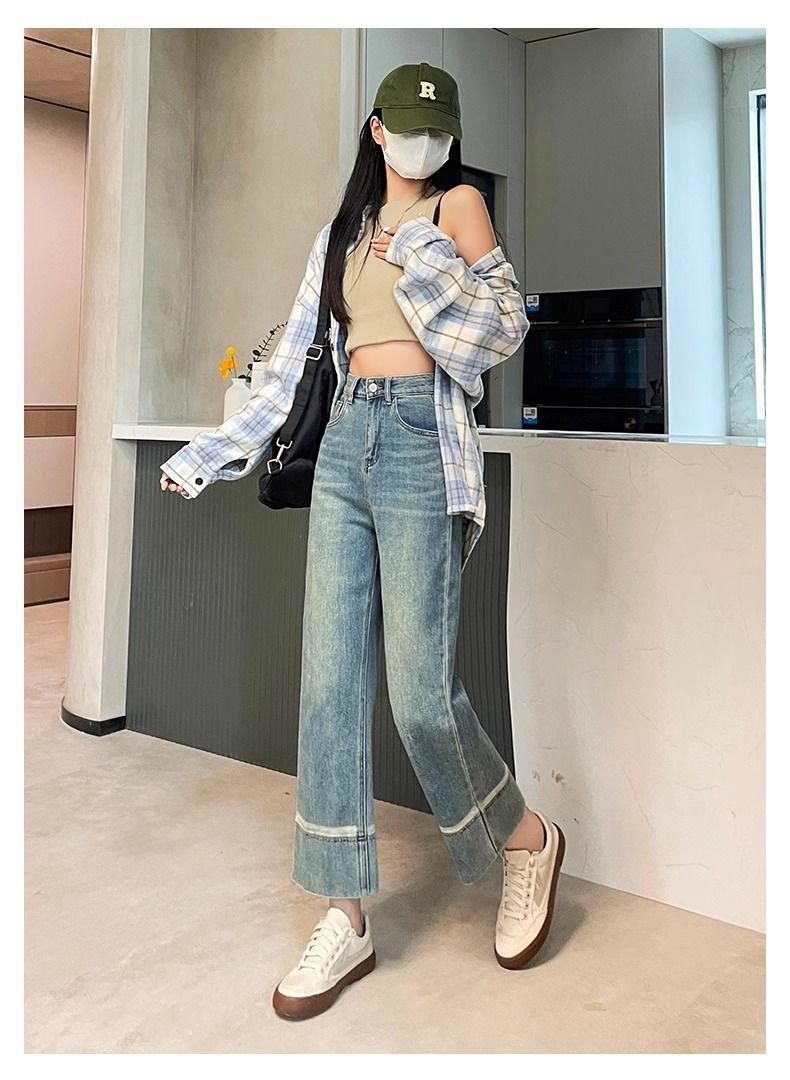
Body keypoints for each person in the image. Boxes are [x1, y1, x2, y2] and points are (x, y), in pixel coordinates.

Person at [159, 62, 565, 1021]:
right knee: (331, 684)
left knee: (421, 696)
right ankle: (344, 913)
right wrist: (210, 452)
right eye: (408, 125)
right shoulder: (338, 232)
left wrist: (417, 254)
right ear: (377, 128)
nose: (423, 142)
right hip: (346, 441)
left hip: (423, 439)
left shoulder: (458, 207)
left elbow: (500, 333)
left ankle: (525, 839)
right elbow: (293, 365)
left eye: (439, 129)